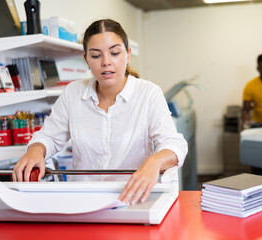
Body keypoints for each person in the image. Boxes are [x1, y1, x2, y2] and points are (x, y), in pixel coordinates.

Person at [12, 19, 188, 205]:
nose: (106, 62)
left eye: (114, 53)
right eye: (96, 56)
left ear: (127, 55)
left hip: (132, 198)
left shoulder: (148, 93)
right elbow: (49, 137)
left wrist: (154, 162)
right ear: (86, 59)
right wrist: (35, 150)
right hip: (83, 200)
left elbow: (174, 144)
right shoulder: (73, 93)